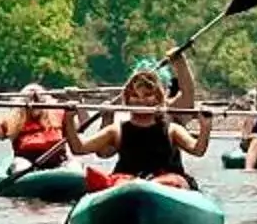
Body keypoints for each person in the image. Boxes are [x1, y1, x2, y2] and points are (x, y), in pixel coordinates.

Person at [67, 54, 212, 190]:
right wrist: (69, 119)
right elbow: (79, 148)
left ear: (158, 99)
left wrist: (205, 127)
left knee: (170, 182)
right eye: (135, 96)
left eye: (148, 95)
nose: (141, 100)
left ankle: (146, 186)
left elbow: (198, 150)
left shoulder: (172, 129)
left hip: (167, 181)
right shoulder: (116, 130)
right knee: (118, 182)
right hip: (127, 180)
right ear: (127, 100)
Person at [0, 83, 71, 173]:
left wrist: (76, 99)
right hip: (25, 161)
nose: (34, 102)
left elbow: (82, 124)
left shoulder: (58, 115)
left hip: (59, 160)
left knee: (72, 165)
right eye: (30, 98)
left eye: (37, 99)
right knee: (21, 166)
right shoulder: (13, 119)